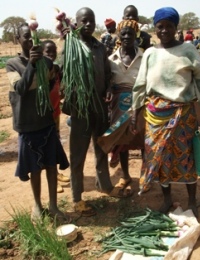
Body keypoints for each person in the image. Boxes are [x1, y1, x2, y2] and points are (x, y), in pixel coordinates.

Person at [130, 7, 200, 217]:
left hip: (183, 115)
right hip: (155, 116)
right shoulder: (150, 53)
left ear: (176, 28)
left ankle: (192, 201)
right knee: (159, 160)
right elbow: (140, 86)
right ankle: (167, 198)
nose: (164, 31)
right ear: (155, 28)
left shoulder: (187, 50)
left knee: (186, 158)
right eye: (160, 26)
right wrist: (134, 113)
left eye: (169, 26)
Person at [61, 7, 131, 217]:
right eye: (84, 21)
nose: (89, 25)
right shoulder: (71, 46)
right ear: (77, 22)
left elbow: (108, 74)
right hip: (81, 109)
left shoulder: (100, 48)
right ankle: (77, 198)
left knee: (102, 148)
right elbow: (64, 73)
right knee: (78, 154)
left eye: (92, 21)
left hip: (99, 107)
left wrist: (109, 88)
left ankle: (106, 186)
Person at [6, 22, 70, 222]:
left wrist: (47, 66)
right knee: (34, 168)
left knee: (51, 165)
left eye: (32, 36)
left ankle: (53, 206)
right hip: (27, 124)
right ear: (19, 40)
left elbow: (52, 82)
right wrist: (32, 66)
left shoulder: (46, 63)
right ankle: (37, 206)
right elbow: (21, 89)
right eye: (25, 36)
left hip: (45, 122)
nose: (30, 40)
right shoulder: (12, 65)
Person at [104, 19, 144, 195]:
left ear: (137, 35)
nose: (127, 36)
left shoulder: (145, 56)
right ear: (119, 35)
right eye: (124, 33)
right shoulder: (111, 59)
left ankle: (145, 175)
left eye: (131, 33)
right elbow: (107, 81)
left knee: (142, 140)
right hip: (118, 104)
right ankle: (126, 175)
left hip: (140, 102)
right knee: (122, 141)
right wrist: (108, 90)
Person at [42, 40, 70, 193]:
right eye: (48, 52)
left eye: (53, 51)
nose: (51, 54)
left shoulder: (57, 69)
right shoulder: (40, 70)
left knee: (55, 144)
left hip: (55, 114)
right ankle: (51, 179)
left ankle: (56, 174)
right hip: (44, 117)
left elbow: (62, 89)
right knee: (47, 147)